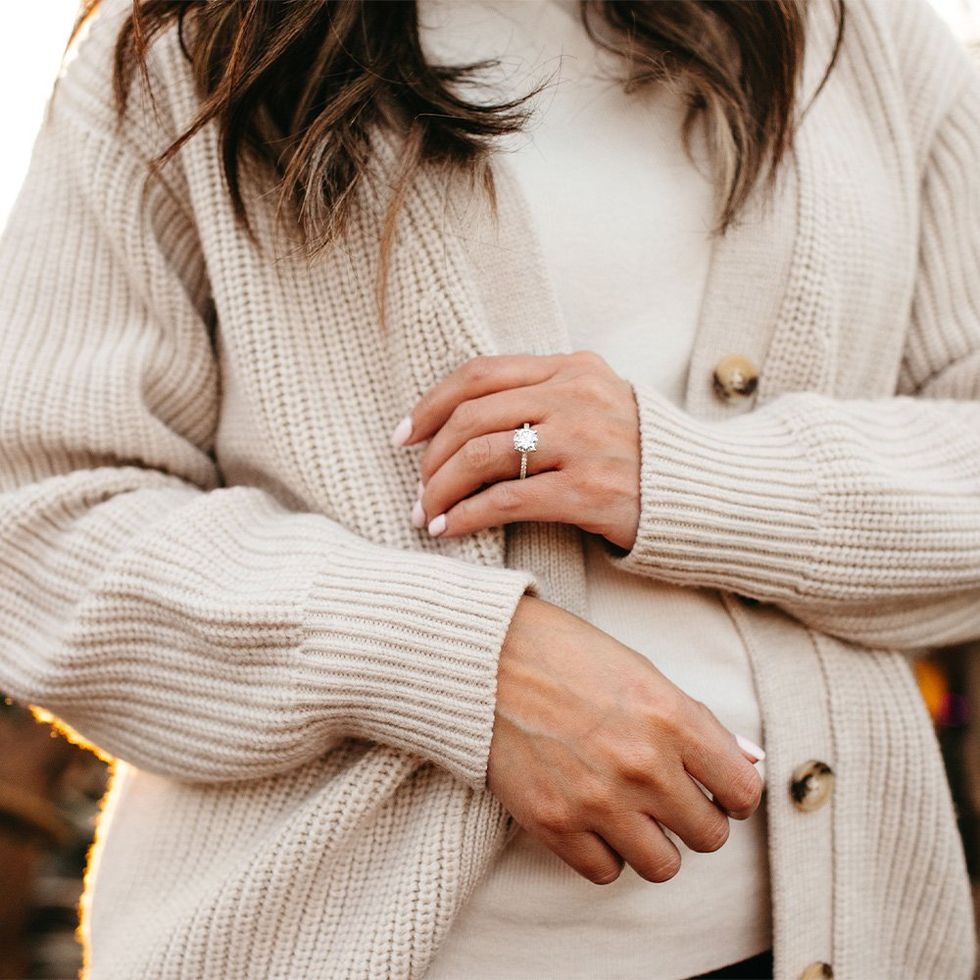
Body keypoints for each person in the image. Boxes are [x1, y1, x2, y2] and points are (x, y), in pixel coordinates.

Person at [0, 0, 977, 978]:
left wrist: (686, 474)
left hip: (828, 941)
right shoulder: (191, 46)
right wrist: (468, 666)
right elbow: (39, 520)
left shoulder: (864, 40)